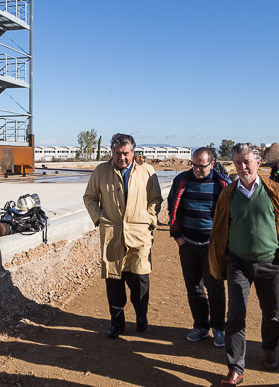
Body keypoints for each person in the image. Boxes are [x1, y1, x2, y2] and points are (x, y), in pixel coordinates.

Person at [209, 143, 279, 386]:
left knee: (272, 313)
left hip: (271, 263)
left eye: (247, 162)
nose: (243, 167)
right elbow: (219, 228)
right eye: (238, 162)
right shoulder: (227, 194)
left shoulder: (275, 191)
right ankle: (235, 367)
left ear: (258, 163)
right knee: (236, 314)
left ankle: (270, 348)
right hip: (238, 263)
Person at [83, 133, 162, 339]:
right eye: (117, 153)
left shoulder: (147, 171)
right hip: (113, 234)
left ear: (133, 152)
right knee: (114, 282)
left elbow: (155, 199)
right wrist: (99, 219)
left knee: (140, 279)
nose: (122, 157)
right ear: (112, 152)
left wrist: (150, 219)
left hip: (139, 234)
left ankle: (141, 316)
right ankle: (117, 323)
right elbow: (90, 197)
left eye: (126, 153)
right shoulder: (102, 171)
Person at [167, 147, 230, 347]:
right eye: (194, 165)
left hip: (212, 247)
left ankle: (218, 328)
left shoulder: (223, 184)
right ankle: (201, 326)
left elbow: (231, 215)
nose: (197, 169)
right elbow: (172, 205)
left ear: (212, 164)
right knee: (194, 287)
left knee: (215, 288)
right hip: (188, 244)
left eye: (201, 166)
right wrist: (177, 236)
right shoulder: (181, 180)